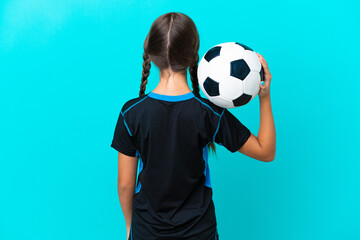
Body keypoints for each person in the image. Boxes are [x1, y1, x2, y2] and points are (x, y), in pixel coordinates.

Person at [110, 12, 276, 240]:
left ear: (149, 49)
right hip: (199, 233)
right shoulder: (209, 113)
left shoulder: (131, 113)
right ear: (194, 55)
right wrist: (264, 96)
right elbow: (266, 151)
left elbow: (125, 185)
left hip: (147, 232)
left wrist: (131, 226)